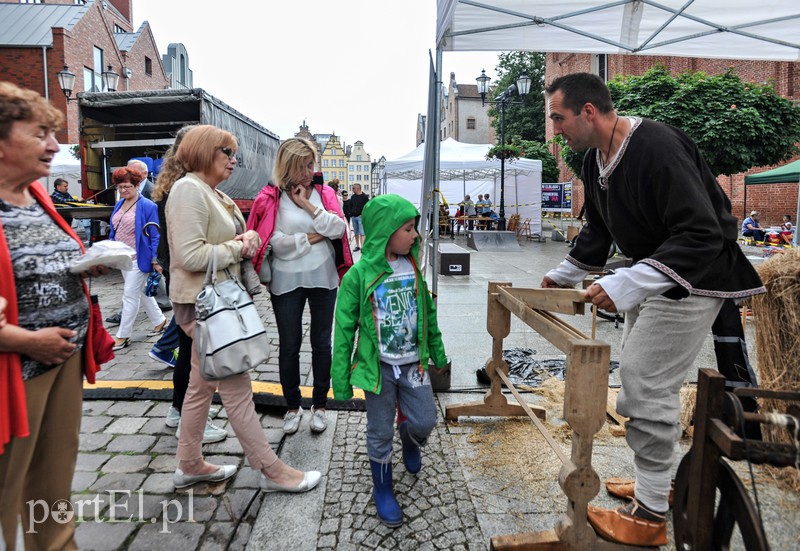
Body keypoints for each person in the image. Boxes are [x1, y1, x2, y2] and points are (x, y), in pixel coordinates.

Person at [542, 72, 764, 547]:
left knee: (643, 385)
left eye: (558, 118)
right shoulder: (593, 161)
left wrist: (628, 281)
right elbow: (598, 233)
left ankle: (649, 515)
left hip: (696, 278)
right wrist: (561, 275)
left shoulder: (656, 147)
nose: (555, 129)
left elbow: (704, 233)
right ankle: (656, 484)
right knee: (641, 382)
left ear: (588, 111)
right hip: (656, 274)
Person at [167, 125, 320, 492]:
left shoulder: (209, 192)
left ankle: (189, 463)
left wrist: (246, 238)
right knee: (236, 388)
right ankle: (271, 470)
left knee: (200, 386)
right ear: (205, 152)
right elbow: (189, 255)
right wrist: (241, 246)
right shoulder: (188, 190)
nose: (234, 160)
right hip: (206, 305)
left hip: (214, 302)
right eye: (227, 152)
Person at [0, 81, 110, 550]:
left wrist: (85, 265)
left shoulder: (38, 197)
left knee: (52, 488)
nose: (53, 146)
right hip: (15, 372)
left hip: (61, 362)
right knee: (8, 494)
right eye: (39, 133)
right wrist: (27, 341)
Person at [332, 193, 448, 528]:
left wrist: (437, 352)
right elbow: (343, 330)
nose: (415, 236)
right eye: (409, 229)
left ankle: (409, 438)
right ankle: (383, 487)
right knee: (379, 430)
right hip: (378, 370)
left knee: (425, 421)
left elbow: (427, 312)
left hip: (415, 366)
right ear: (386, 231)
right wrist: (339, 379)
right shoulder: (358, 276)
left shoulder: (412, 267)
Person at [246, 137, 350, 435]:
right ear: (289, 166)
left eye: (311, 164)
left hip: (324, 278)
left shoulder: (324, 193)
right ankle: (293, 406)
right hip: (286, 281)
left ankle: (319, 405)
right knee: (289, 345)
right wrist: (315, 235)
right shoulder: (270, 198)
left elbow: (339, 228)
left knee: (321, 343)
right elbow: (275, 244)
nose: (310, 171)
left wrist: (306, 205)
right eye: (304, 165)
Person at [149, 125, 227, 443]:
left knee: (188, 350)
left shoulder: (171, 184)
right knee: (197, 353)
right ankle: (189, 419)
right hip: (191, 279)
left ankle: (177, 410)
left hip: (176, 275)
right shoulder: (188, 188)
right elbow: (191, 246)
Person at [108, 166, 167, 350]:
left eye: (127, 186)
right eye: (120, 187)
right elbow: (114, 228)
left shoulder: (147, 205)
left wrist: (155, 258)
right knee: (140, 292)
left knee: (130, 296)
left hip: (138, 258)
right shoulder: (119, 203)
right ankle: (159, 320)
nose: (123, 190)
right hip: (124, 258)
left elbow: (155, 233)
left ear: (136, 185)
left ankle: (123, 335)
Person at [349, 183, 369, 251]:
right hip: (354, 217)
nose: (352, 189)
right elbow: (351, 205)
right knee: (356, 232)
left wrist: (363, 215)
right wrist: (351, 213)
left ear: (357, 188)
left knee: (362, 233)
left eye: (353, 188)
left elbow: (367, 207)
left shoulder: (364, 197)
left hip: (360, 217)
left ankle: (362, 247)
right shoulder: (353, 197)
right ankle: (357, 246)